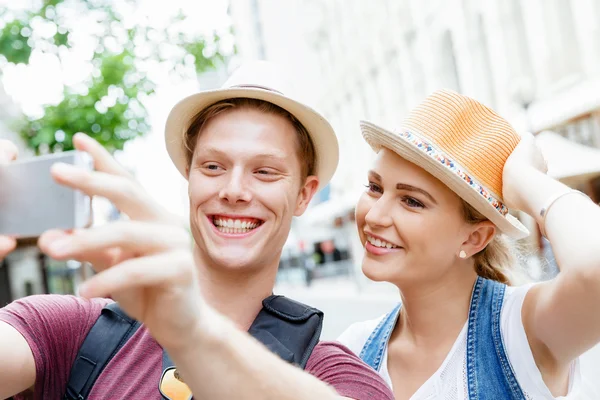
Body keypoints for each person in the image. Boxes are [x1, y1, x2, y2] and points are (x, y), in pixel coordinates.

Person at [0, 61, 394, 400]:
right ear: (188, 178)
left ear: (304, 195)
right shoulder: (71, 331)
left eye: (265, 172)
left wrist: (194, 333)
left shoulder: (337, 374)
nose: (234, 191)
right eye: (213, 167)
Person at [337, 89, 600, 399]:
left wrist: (525, 178)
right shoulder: (353, 350)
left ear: (475, 237)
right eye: (375, 187)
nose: (376, 215)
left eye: (411, 201)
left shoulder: (522, 331)